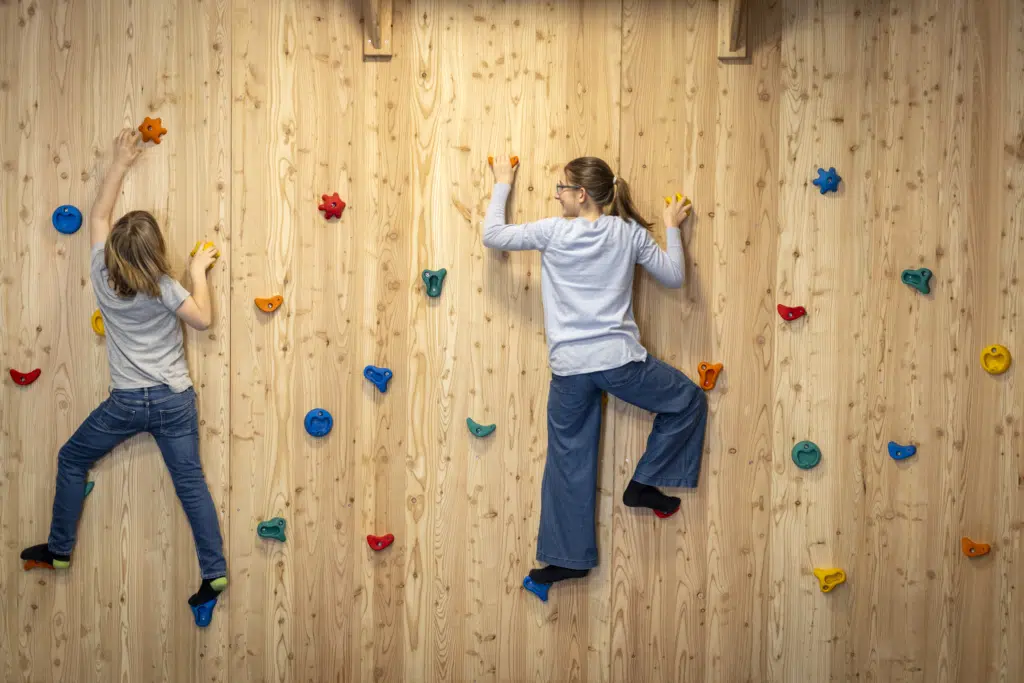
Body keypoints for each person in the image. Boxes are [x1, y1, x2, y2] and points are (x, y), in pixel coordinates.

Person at [20, 127, 228, 625]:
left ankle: (60, 548)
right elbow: (203, 319)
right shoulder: (165, 285)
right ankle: (214, 571)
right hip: (175, 400)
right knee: (191, 484)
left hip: (127, 403)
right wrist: (198, 270)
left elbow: (97, 214)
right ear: (157, 252)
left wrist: (119, 161)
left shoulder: (100, 275)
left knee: (71, 458)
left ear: (114, 250)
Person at [483, 156, 708, 595]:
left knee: (568, 461)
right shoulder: (628, 234)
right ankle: (643, 483)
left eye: (560, 187)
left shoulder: (553, 230)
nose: (556, 194)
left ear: (580, 194)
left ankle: (567, 561)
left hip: (569, 368)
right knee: (688, 400)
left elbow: (493, 236)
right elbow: (676, 277)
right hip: (618, 362)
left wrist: (502, 185)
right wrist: (672, 227)